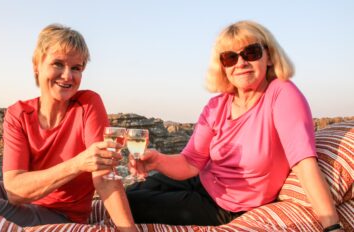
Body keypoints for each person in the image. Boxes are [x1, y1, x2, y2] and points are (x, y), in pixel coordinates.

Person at [126, 20, 343, 231]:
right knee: (125, 193)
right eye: (230, 57)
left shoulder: (281, 93)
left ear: (269, 57)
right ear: (222, 66)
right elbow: (191, 163)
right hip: (200, 181)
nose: (240, 63)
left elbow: (304, 163)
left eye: (251, 53)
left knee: (130, 204)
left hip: (228, 206)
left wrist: (332, 226)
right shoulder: (218, 104)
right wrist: (157, 161)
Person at [0, 24, 137, 231]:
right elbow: (15, 190)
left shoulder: (88, 104)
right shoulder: (18, 113)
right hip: (15, 195)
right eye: (58, 64)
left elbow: (106, 179)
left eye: (76, 68)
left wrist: (129, 230)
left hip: (58, 213)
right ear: (37, 65)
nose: (67, 76)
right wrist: (77, 164)